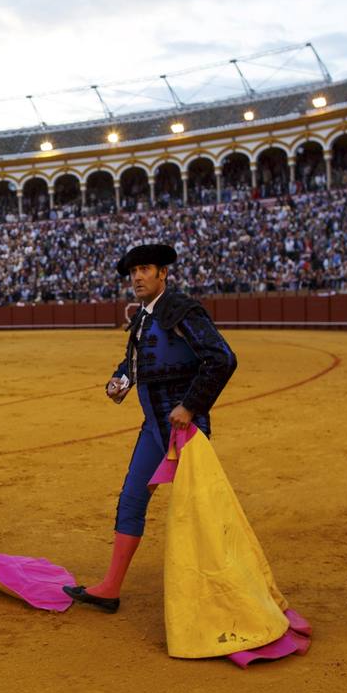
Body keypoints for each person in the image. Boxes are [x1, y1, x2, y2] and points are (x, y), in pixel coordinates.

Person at [64, 243, 237, 612]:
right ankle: (110, 587)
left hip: (185, 431)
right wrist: (120, 380)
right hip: (154, 430)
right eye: (133, 271)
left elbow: (221, 358)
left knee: (200, 512)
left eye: (145, 269)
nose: (138, 277)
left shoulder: (181, 309)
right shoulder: (144, 315)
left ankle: (224, 591)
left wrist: (190, 406)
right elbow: (135, 361)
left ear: (163, 274)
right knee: (131, 500)